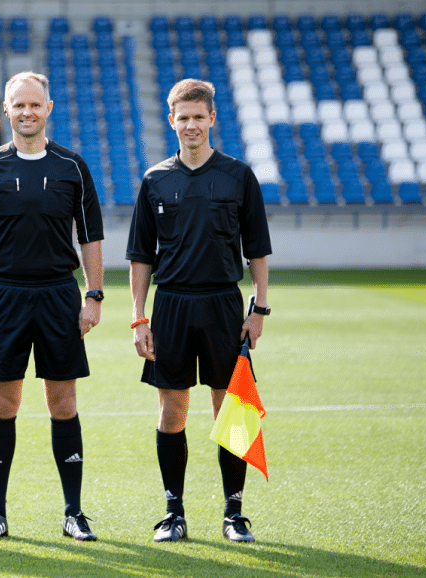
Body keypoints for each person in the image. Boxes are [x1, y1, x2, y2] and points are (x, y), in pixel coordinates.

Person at [0, 71, 105, 542]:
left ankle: (74, 512)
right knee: (3, 402)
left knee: (63, 402)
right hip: (4, 298)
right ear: (6, 109)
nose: (27, 112)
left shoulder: (72, 166)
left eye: (35, 104)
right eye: (19, 105)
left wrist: (93, 294)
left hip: (60, 296)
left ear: (48, 108)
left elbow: (90, 237)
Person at [126, 79, 272, 543]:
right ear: (171, 121)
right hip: (170, 305)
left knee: (231, 410)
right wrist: (138, 317)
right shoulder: (155, 179)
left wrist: (259, 308)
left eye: (198, 117)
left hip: (224, 305)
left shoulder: (238, 175)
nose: (191, 125)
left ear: (212, 118)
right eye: (183, 118)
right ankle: (174, 513)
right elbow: (140, 257)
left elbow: (258, 249)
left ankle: (234, 514)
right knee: (172, 411)